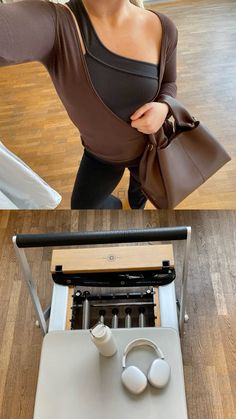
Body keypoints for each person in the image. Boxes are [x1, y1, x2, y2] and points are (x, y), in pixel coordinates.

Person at [0, 0, 178, 209]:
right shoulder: (59, 25)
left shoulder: (164, 27)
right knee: (83, 208)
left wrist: (164, 107)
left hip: (151, 149)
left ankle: (136, 200)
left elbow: (169, 82)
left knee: (141, 196)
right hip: (101, 156)